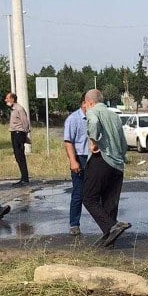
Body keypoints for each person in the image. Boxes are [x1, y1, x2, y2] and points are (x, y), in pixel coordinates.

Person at [81, 89, 130, 246]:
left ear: (89, 102)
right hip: (117, 164)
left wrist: (93, 140)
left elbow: (94, 123)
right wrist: (121, 157)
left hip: (102, 159)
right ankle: (109, 237)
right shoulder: (114, 115)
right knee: (110, 201)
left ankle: (111, 227)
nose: (85, 108)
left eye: (86, 105)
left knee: (89, 198)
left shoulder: (92, 111)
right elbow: (123, 142)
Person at [62, 95, 90, 235]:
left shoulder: (94, 118)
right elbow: (68, 142)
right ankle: (74, 224)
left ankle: (107, 224)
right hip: (80, 157)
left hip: (94, 158)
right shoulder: (73, 119)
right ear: (84, 103)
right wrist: (73, 161)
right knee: (78, 192)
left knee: (96, 192)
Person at [5, 92, 31, 185]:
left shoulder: (19, 108)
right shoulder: (12, 109)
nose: (6, 100)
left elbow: (25, 122)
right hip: (14, 133)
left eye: (7, 98)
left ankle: (25, 178)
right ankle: (23, 177)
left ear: (12, 99)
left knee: (20, 155)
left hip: (19, 133)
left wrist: (25, 135)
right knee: (17, 156)